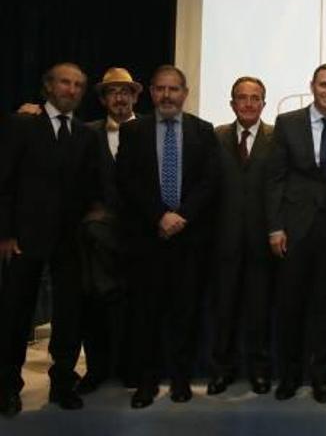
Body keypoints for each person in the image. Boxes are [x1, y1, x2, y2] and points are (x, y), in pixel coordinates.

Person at [116, 65, 220, 409]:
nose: (167, 95)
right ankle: (146, 382)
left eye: (173, 89)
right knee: (146, 314)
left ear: (185, 93)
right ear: (150, 92)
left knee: (185, 314)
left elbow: (210, 181)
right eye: (160, 89)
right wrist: (159, 215)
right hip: (148, 238)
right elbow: (128, 181)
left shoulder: (204, 131)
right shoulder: (134, 131)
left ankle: (180, 380)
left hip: (189, 238)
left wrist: (182, 216)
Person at [0, 62, 101, 417]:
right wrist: (6, 234)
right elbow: (5, 182)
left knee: (69, 314)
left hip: (70, 240)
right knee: (16, 315)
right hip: (25, 239)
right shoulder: (22, 125)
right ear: (48, 86)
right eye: (65, 82)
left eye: (78, 85)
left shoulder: (86, 134)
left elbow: (91, 184)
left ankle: (62, 384)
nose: (71, 90)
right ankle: (8, 387)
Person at [266, 63, 326, 403]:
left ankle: (321, 377)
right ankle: (290, 376)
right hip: (294, 228)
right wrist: (275, 227)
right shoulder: (287, 122)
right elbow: (276, 178)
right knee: (290, 306)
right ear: (312, 85)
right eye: (324, 85)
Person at [206, 77, 276, 396]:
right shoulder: (214, 136)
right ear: (232, 103)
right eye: (242, 98)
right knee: (225, 311)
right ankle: (222, 371)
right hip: (223, 240)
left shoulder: (277, 138)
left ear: (264, 103)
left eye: (255, 98)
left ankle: (259, 372)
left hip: (264, 241)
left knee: (259, 312)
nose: (248, 103)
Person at [78, 67, 142, 395]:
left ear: (135, 96)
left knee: (135, 305)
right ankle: (97, 369)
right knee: (95, 305)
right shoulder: (85, 133)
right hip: (98, 237)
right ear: (103, 98)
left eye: (125, 91)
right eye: (112, 92)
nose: (120, 97)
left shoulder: (152, 131)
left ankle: (131, 368)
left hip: (141, 237)